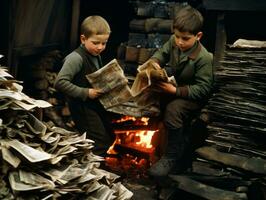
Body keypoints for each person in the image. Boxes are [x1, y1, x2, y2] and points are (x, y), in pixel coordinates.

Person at [146, 5, 214, 177]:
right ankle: (158, 136)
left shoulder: (204, 58)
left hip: (192, 96)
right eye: (177, 36)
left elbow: (204, 89)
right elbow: (162, 53)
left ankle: (172, 156)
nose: (179, 42)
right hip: (175, 87)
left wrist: (175, 91)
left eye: (185, 38)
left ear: (198, 36)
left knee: (173, 110)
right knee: (151, 93)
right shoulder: (174, 42)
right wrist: (155, 62)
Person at [54, 15, 115, 157]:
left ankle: (96, 167)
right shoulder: (75, 58)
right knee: (99, 141)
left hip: (93, 104)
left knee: (110, 135)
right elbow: (60, 82)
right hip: (81, 106)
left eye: (104, 43)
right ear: (83, 39)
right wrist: (86, 92)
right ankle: (91, 172)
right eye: (96, 43)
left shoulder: (96, 55)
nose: (100, 47)